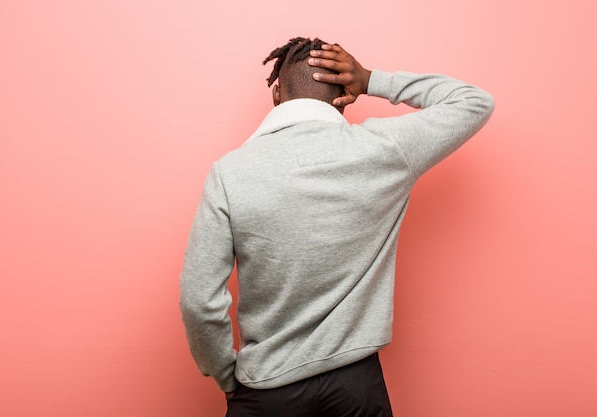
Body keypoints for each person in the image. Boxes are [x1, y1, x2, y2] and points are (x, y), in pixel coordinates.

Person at [180, 37, 494, 417]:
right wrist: (371, 79)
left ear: (277, 92)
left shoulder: (230, 173)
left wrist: (228, 376)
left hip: (266, 387)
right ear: (341, 96)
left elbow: (199, 300)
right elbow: (474, 101)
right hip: (356, 387)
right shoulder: (385, 149)